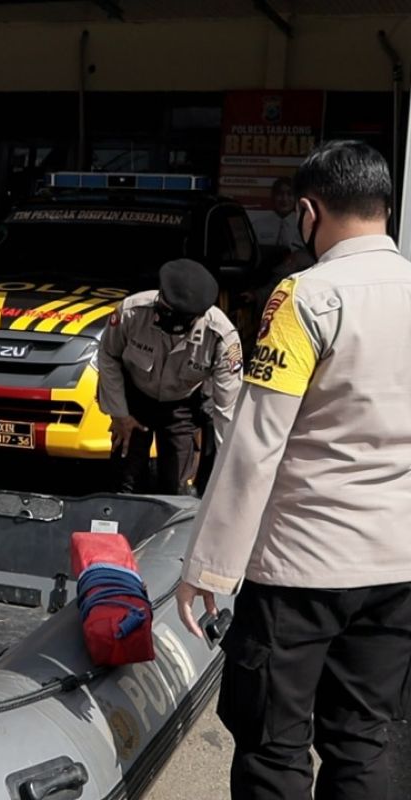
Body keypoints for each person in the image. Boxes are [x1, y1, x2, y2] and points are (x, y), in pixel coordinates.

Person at [178, 140, 411, 800]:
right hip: (398, 569)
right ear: (384, 208)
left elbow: (256, 444)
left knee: (272, 743)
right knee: (364, 736)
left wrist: (207, 569)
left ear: (309, 211)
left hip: (301, 571)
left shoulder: (307, 296)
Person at [96, 259, 243, 495]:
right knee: (126, 482)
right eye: (163, 308)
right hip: (135, 400)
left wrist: (229, 470)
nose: (163, 316)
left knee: (177, 489)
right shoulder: (132, 311)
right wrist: (119, 414)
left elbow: (227, 409)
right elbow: (108, 355)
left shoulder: (222, 338)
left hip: (181, 405)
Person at [248, 177, 302, 252]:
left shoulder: (303, 226)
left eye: (290, 194)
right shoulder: (258, 225)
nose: (284, 199)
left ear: (296, 198)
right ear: (273, 197)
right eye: (280, 194)